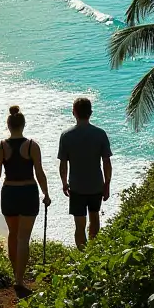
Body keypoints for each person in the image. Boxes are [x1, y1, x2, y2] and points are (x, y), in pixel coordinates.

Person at [0, 105, 51, 291]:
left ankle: (16, 272)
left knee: (13, 235)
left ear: (8, 126)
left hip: (9, 192)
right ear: (23, 125)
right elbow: (39, 173)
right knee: (24, 238)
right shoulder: (32, 145)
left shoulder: (0, 146)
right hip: (28, 192)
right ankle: (19, 279)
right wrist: (46, 193)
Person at [58, 96, 112, 249]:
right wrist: (107, 184)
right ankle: (94, 252)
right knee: (94, 218)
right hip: (96, 185)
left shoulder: (66, 136)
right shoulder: (100, 134)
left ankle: (82, 255)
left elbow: (63, 164)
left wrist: (64, 183)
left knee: (79, 224)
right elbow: (107, 162)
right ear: (91, 113)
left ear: (74, 112)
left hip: (76, 186)